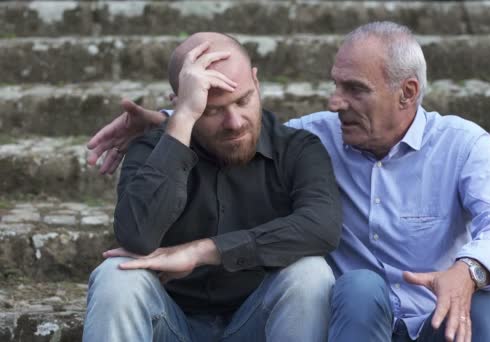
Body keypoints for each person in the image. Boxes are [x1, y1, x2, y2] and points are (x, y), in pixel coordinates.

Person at [87, 22, 490, 342]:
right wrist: (176, 120)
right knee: (116, 274)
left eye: (354, 90)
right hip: (346, 313)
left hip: (434, 312)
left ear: (407, 93)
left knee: (479, 298)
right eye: (336, 86)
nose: (336, 102)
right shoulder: (320, 132)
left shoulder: (460, 143)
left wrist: (467, 270)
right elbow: (235, 129)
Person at [83, 32, 342, 342]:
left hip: (259, 321)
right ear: (180, 104)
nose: (234, 122)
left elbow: (322, 227)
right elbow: (137, 236)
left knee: (311, 274)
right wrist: (181, 122)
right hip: (171, 322)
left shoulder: (298, 148)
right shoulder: (152, 148)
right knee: (115, 276)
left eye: (243, 100)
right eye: (212, 110)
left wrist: (204, 251)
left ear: (256, 83)